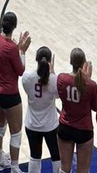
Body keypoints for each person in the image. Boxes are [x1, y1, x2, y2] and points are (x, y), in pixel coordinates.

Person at [0, 11, 32, 173]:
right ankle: (14, 167)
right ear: (14, 26)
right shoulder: (11, 48)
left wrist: (17, 48)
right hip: (9, 94)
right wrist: (22, 51)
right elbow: (21, 70)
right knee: (16, 132)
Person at [57, 47, 97, 173]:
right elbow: (95, 107)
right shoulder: (90, 85)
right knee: (83, 170)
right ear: (84, 63)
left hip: (65, 127)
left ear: (70, 62)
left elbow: (61, 96)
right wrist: (88, 79)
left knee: (64, 168)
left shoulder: (62, 78)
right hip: (84, 129)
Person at [24, 45, 61, 173]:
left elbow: (28, 91)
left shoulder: (27, 77)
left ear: (36, 60)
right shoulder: (54, 80)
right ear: (50, 61)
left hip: (32, 124)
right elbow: (57, 95)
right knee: (56, 156)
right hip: (50, 125)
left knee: (34, 156)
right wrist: (53, 72)